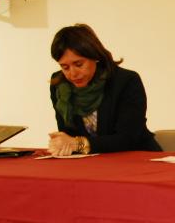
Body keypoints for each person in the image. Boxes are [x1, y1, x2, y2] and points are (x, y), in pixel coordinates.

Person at [48, 24, 160, 155]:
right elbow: (68, 135)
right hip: (91, 163)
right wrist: (62, 143)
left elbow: (127, 138)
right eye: (65, 67)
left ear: (95, 56)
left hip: (137, 159)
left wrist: (79, 144)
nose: (72, 74)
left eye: (79, 64)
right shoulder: (60, 85)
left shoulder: (126, 81)